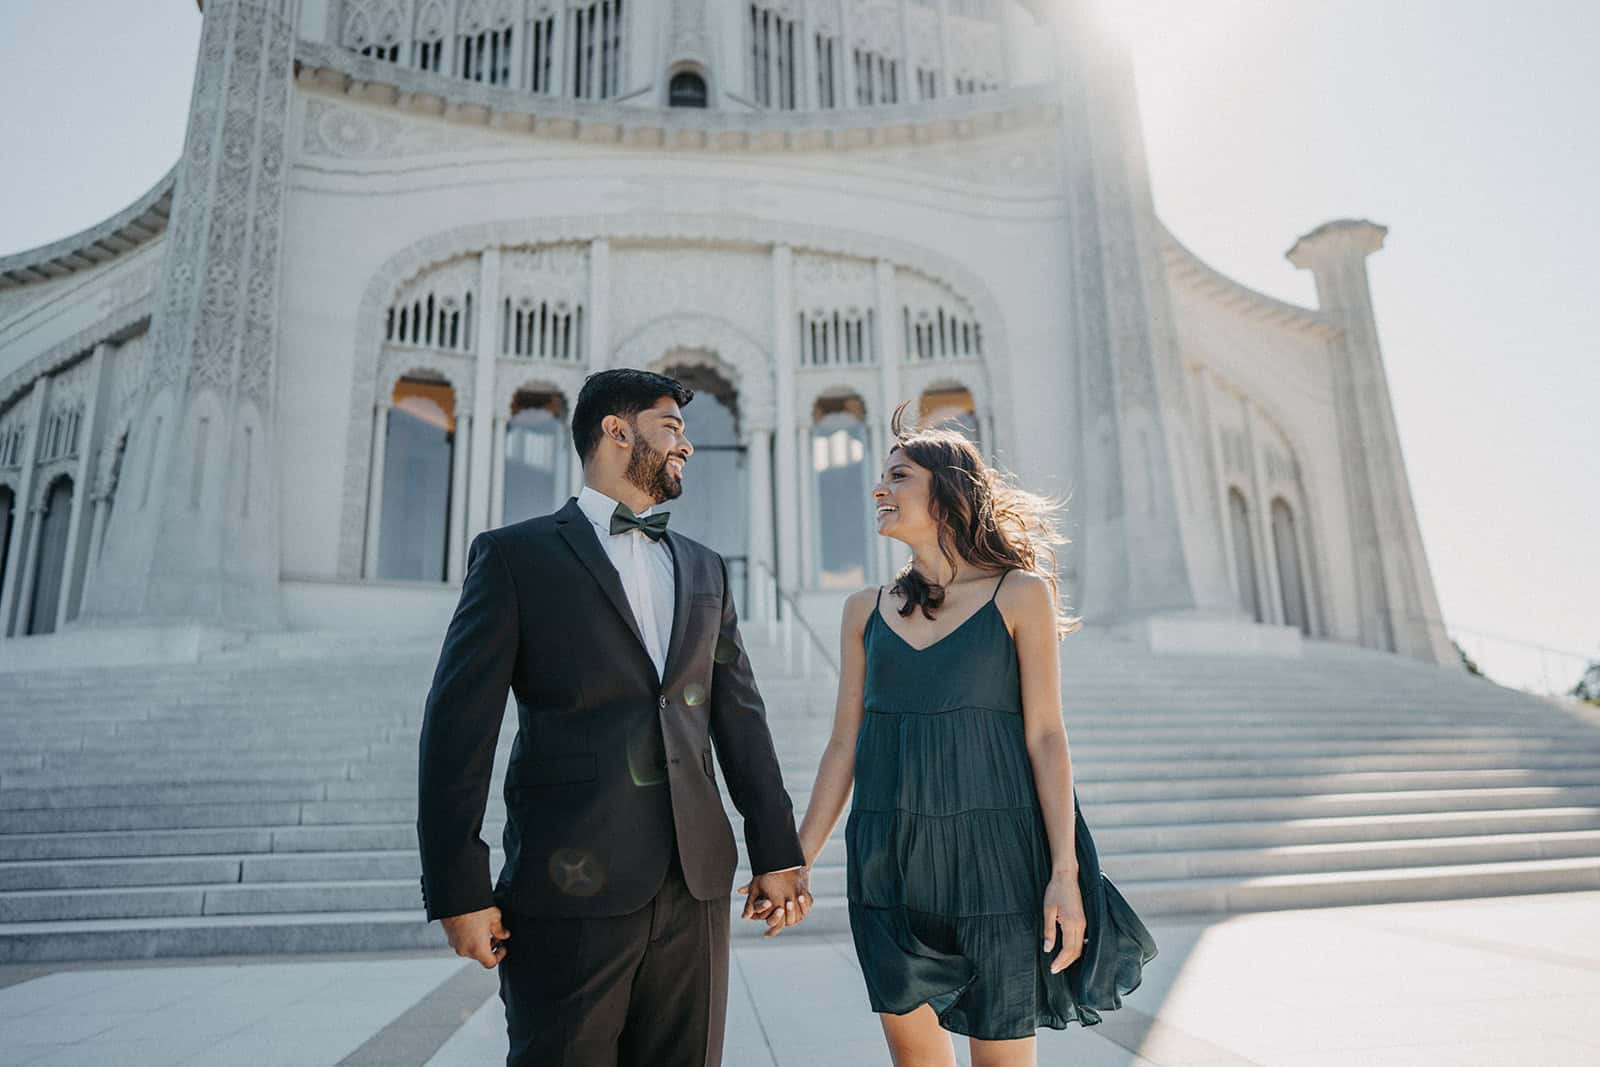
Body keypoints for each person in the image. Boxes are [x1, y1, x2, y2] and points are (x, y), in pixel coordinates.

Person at [416, 368, 811, 1067]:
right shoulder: (514, 557)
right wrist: (458, 887)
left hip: (695, 886)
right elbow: (457, 732)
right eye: (673, 428)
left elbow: (740, 717)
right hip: (568, 889)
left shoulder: (706, 568)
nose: (687, 445)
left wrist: (777, 849)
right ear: (617, 431)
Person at [772, 401, 1157, 1067]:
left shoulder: (1020, 594)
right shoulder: (863, 609)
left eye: (897, 475)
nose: (878, 489)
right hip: (887, 860)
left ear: (947, 491)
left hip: (998, 862)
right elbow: (843, 744)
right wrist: (797, 859)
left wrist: (1064, 873)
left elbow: (1045, 737)